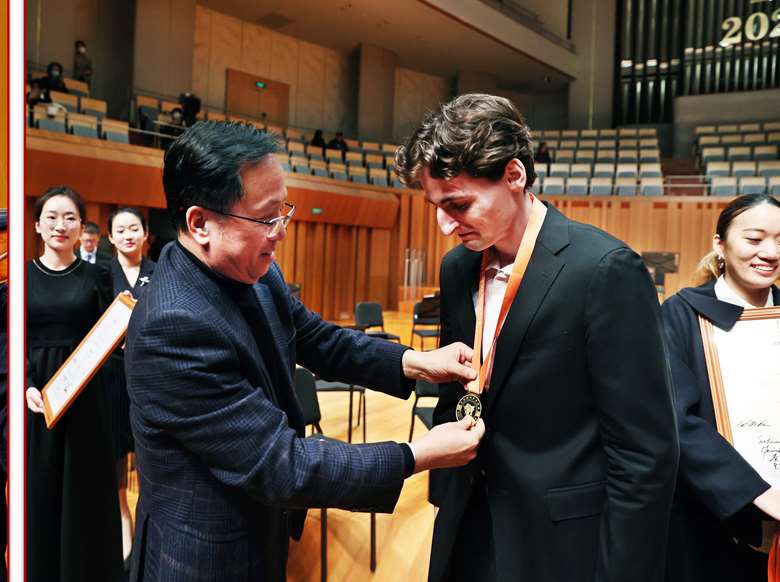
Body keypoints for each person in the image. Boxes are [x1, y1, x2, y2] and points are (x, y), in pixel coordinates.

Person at [124, 121, 486, 582]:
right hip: (206, 557)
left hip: (263, 529)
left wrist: (414, 362)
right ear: (200, 223)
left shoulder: (255, 270)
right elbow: (282, 463)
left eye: (283, 211)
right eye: (265, 217)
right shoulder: (172, 325)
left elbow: (318, 339)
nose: (281, 231)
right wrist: (420, 453)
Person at [394, 93, 679, 582]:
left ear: (513, 175)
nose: (443, 225)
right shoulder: (458, 265)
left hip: (563, 539)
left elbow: (644, 452)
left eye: (457, 204)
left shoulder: (605, 269)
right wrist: (446, 496)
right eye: (435, 206)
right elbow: (458, 392)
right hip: (468, 523)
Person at [661, 193, 780, 582]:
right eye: (755, 238)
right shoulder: (679, 314)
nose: (770, 251)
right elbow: (674, 418)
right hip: (710, 522)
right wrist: (758, 493)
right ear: (720, 245)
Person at [25, 186, 123, 582]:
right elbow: (11, 341)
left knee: (87, 494)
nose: (60, 225)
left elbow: (110, 336)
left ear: (83, 226)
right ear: (37, 225)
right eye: (51, 217)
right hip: (39, 399)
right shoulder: (21, 275)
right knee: (42, 493)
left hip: (87, 398)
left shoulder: (97, 275)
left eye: (70, 218)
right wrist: (25, 384)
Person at [101, 207, 156, 568]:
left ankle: (148, 544)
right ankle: (125, 545)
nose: (127, 235)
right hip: (112, 380)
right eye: (120, 230)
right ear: (110, 237)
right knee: (118, 470)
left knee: (152, 462)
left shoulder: (160, 272)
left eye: (133, 228)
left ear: (145, 233)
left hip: (150, 378)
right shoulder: (101, 275)